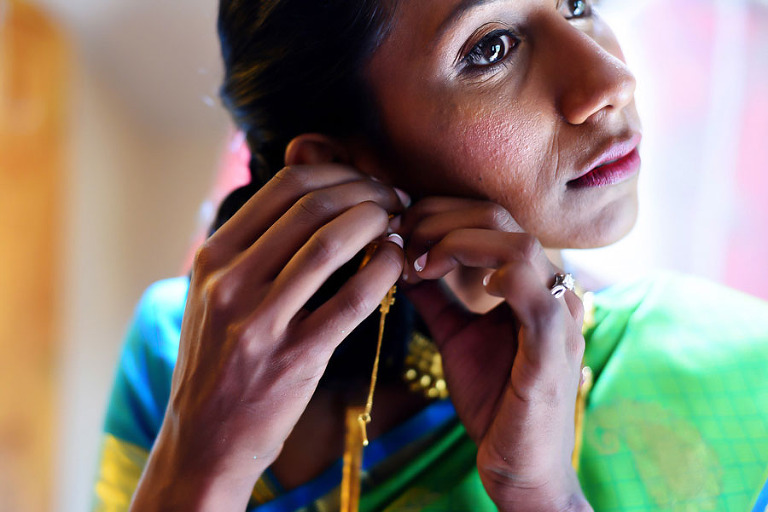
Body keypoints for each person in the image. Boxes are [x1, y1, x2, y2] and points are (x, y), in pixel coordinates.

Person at [92, 0, 768, 510]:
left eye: (577, 1)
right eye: (492, 47)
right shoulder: (193, 351)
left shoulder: (741, 373)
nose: (608, 79)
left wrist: (543, 495)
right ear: (341, 159)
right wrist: (202, 467)